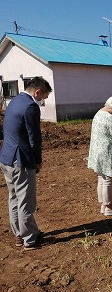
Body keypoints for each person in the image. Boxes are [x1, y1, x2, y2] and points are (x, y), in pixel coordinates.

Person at [0, 76, 55, 250]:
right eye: (43, 97)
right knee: (26, 200)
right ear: (37, 91)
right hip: (21, 160)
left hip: (7, 158)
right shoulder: (30, 106)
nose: (42, 100)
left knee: (14, 198)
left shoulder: (15, 101)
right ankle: (30, 239)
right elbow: (34, 138)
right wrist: (38, 160)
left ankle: (19, 234)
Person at [87, 95, 112, 216]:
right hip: (107, 151)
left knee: (101, 178)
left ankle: (103, 205)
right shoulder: (110, 118)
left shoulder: (98, 113)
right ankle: (109, 207)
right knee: (108, 179)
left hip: (96, 151)